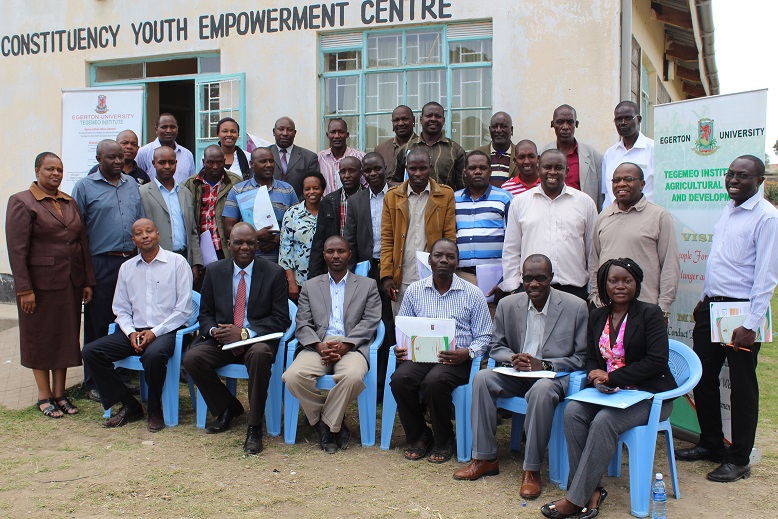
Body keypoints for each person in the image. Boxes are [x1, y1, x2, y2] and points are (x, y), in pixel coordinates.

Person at [541, 258, 676, 518]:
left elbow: (656, 362)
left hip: (650, 396)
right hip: (612, 396)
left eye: (627, 280)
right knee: (573, 412)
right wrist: (596, 376)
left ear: (637, 283)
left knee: (604, 421)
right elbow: (593, 357)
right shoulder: (598, 316)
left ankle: (574, 498)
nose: (620, 286)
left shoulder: (651, 314)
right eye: (614, 281)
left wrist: (613, 378)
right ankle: (592, 491)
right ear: (605, 284)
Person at [675, 155, 778, 483]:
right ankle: (711, 443)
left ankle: (738, 459)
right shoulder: (729, 208)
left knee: (742, 387)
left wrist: (751, 324)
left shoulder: (766, 217)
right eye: (730, 174)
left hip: (742, 313)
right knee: (702, 378)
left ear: (759, 180)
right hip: (713, 308)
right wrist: (704, 300)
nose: (733, 180)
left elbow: (767, 275)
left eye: (743, 176)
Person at [453, 255, 587, 501]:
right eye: (528, 278)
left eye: (540, 278)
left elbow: (581, 358)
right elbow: (496, 346)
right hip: (518, 372)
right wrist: (514, 357)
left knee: (541, 390)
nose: (533, 284)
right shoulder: (508, 305)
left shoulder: (575, 306)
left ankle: (531, 469)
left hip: (553, 376)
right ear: (522, 279)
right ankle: (484, 458)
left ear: (551, 279)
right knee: (482, 378)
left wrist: (543, 364)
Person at [183, 222, 291, 455]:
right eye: (239, 242)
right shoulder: (214, 271)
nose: (245, 247)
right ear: (228, 244)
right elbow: (206, 313)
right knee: (192, 358)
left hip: (257, 340)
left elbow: (281, 319)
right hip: (223, 340)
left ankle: (254, 427)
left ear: (257, 246)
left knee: (261, 355)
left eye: (250, 243)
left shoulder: (274, 273)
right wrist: (214, 331)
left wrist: (244, 333)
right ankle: (228, 407)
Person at [6, 152, 96, 418]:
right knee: (41, 338)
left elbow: (82, 244)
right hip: (39, 286)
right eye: (49, 169)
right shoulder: (22, 202)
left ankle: (61, 393)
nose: (55, 174)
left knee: (66, 337)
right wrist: (24, 289)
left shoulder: (69, 202)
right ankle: (44, 396)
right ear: (37, 171)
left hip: (70, 282)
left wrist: (87, 281)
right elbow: (17, 250)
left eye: (59, 169)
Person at [82, 219, 193, 432]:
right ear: (134, 240)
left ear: (158, 234)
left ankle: (154, 409)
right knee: (91, 352)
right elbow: (120, 309)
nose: (145, 236)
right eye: (139, 233)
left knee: (153, 356)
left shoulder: (177, 263)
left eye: (149, 231)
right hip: (134, 331)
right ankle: (129, 404)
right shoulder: (127, 268)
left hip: (169, 330)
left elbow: (184, 311)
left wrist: (154, 332)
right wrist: (131, 332)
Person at [390, 239, 492, 463]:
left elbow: (485, 336)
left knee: (434, 382)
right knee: (399, 379)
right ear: (429, 260)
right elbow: (404, 329)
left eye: (450, 256)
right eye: (438, 255)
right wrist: (401, 348)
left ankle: (444, 439)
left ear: (457, 262)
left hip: (457, 359)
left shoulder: (473, 293)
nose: (444, 260)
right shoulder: (415, 290)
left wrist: (468, 352)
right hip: (422, 356)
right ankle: (420, 435)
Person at [283, 236, 382, 452]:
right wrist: (318, 345)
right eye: (330, 251)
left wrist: (347, 344)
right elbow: (303, 322)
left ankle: (326, 426)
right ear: (324, 255)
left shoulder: (368, 285)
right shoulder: (310, 286)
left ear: (349, 254)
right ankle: (329, 423)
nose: (335, 255)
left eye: (340, 251)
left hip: (352, 345)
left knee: (353, 376)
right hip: (318, 345)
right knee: (292, 377)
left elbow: (371, 320)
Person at [72, 139, 145, 401]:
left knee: (126, 319)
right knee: (98, 322)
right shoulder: (84, 187)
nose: (117, 162)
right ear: (98, 158)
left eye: (120, 158)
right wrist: (84, 275)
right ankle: (93, 382)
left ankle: (120, 376)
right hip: (100, 262)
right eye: (111, 158)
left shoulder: (132, 186)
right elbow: (77, 232)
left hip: (130, 262)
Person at [501, 149, 596, 301]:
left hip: (573, 290)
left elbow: (593, 252)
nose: (553, 172)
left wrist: (593, 292)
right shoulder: (520, 203)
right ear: (538, 169)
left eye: (558, 168)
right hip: (531, 291)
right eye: (547, 167)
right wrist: (513, 288)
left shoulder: (585, 203)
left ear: (567, 171)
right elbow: (511, 250)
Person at [589, 162, 679, 317]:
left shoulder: (659, 216)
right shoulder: (603, 216)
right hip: (607, 309)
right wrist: (596, 298)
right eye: (616, 180)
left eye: (628, 179)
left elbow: (670, 265)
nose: (621, 184)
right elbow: (594, 262)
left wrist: (663, 307)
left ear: (642, 184)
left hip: (646, 310)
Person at [380, 148, 457, 314]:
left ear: (430, 168)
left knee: (433, 327)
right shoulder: (392, 197)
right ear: (406, 169)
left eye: (423, 168)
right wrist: (386, 275)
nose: (418, 173)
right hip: (402, 277)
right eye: (412, 169)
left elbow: (450, 237)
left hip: (434, 275)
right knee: (405, 331)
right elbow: (387, 239)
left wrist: (447, 271)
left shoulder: (445, 195)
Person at [454, 150, 512, 310]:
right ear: (465, 172)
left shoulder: (505, 199)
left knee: (493, 328)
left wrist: (504, 281)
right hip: (461, 277)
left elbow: (514, 242)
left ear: (490, 171)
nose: (477, 171)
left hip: (495, 279)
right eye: (472, 168)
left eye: (482, 168)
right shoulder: (454, 199)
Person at [223, 147, 298, 263]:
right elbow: (228, 229)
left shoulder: (287, 190)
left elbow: (297, 224)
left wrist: (278, 239)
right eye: (263, 161)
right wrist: (255, 235)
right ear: (252, 164)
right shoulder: (238, 190)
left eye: (271, 161)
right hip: (247, 259)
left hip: (281, 259)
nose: (268, 165)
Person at [140, 147, 203, 283]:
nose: (167, 166)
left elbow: (192, 231)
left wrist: (195, 262)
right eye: (162, 162)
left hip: (183, 258)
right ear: (153, 163)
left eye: (171, 162)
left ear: (176, 163)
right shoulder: (142, 193)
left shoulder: (185, 192)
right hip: (155, 259)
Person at [184, 145, 243, 261]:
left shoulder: (236, 182)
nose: (215, 167)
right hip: (200, 249)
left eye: (219, 162)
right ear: (203, 162)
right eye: (210, 162)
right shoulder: (191, 184)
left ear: (224, 162)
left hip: (226, 248)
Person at [540, 105, 603, 210]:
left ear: (576, 124)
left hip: (581, 215)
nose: (565, 127)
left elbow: (601, 197)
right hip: (549, 213)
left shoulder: (594, 156)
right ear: (552, 124)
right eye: (560, 122)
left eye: (570, 122)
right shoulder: (541, 154)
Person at [308, 156, 362, 278]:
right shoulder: (329, 201)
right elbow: (319, 240)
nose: (347, 175)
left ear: (361, 173)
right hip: (334, 263)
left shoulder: (367, 199)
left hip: (361, 264)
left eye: (351, 171)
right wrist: (314, 276)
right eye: (342, 172)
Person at [392, 102, 465, 191]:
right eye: (429, 116)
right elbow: (391, 181)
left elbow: (463, 186)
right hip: (412, 203)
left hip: (444, 203)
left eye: (438, 116)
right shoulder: (404, 149)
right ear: (421, 120)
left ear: (444, 120)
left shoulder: (456, 150)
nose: (433, 119)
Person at [279, 171, 327, 301]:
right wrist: (291, 282)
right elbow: (285, 250)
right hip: (299, 281)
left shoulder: (329, 211)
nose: (312, 192)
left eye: (316, 188)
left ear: (323, 190)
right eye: (307, 189)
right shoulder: (292, 213)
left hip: (325, 278)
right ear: (302, 191)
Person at [601, 101, 654, 207]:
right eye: (619, 119)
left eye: (628, 118)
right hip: (614, 217)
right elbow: (606, 192)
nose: (623, 122)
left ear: (638, 120)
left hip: (644, 216)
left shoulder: (653, 150)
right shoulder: (610, 154)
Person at [269, 116, 322, 199]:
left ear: (295, 133)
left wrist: (296, 206)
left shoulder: (309, 157)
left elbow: (314, 186)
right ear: (274, 131)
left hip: (299, 207)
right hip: (269, 207)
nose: (285, 133)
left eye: (289, 130)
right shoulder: (263, 155)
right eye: (281, 129)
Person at [136, 113, 196, 184]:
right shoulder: (144, 152)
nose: (168, 130)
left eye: (172, 127)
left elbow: (191, 183)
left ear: (177, 129)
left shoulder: (187, 154)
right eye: (164, 127)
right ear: (156, 129)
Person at [318, 118, 365, 196]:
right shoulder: (318, 158)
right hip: (326, 206)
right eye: (333, 132)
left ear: (347, 134)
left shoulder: (360, 158)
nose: (336, 136)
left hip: (353, 205)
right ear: (327, 135)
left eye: (341, 132)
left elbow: (366, 186)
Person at [476, 112, 516, 188]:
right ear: (489, 129)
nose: (498, 130)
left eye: (503, 126)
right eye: (494, 126)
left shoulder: (520, 155)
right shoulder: (478, 154)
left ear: (511, 130)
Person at [374, 105, 416, 177]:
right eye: (396, 120)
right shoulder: (380, 150)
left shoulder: (422, 145)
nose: (400, 123)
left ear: (413, 120)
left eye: (405, 119)